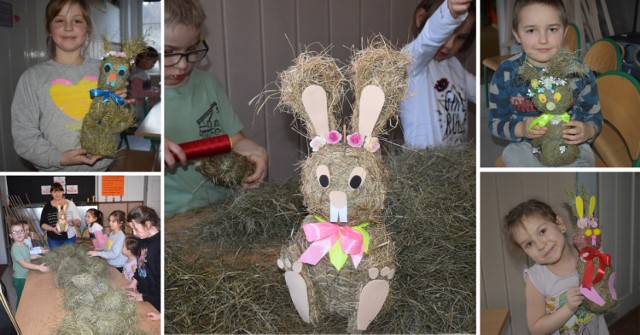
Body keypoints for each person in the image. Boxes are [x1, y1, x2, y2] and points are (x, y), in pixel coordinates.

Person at [164, 0, 268, 215]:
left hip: (218, 209)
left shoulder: (208, 85)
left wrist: (252, 152)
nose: (182, 64)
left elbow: (236, 140)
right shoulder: (136, 97)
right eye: (167, 52)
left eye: (191, 49)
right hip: (169, 216)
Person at [11, 0, 131, 171]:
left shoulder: (106, 71)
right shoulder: (32, 78)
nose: (68, 27)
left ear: (87, 29)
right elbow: (23, 136)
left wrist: (120, 107)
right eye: (60, 20)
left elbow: (117, 124)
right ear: (48, 29)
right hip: (53, 172)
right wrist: (58, 157)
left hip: (100, 170)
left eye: (77, 20)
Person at [487, 0, 601, 167]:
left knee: (585, 157)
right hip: (527, 144)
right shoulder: (506, 73)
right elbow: (495, 123)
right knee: (511, 154)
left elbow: (594, 114)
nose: (543, 39)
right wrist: (521, 129)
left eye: (552, 29)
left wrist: (588, 131)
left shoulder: (579, 71)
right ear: (517, 34)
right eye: (531, 30)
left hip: (569, 143)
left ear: (564, 32)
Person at [504, 199, 609, 334]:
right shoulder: (536, 280)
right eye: (529, 244)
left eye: (542, 231)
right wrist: (569, 308)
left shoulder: (587, 254)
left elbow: (605, 295)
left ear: (559, 223)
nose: (541, 245)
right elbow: (536, 328)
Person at [399, 0, 476, 149]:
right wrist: (449, 15)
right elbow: (427, 42)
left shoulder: (454, 65)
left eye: (460, 37)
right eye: (447, 34)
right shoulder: (412, 61)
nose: (449, 45)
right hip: (423, 162)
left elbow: (482, 93)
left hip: (456, 163)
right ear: (421, 17)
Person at [126, 206, 160, 313]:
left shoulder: (159, 245)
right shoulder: (143, 240)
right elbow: (141, 264)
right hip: (142, 292)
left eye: (135, 228)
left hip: (155, 300)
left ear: (148, 224)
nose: (134, 233)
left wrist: (145, 297)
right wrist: (133, 282)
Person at [9, 222, 50, 308]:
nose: (18, 234)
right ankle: (19, 316)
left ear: (24, 233)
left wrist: (38, 256)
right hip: (20, 278)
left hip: (26, 275)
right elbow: (23, 264)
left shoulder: (24, 245)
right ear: (11, 236)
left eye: (21, 231)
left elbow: (28, 256)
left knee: (27, 295)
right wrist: (38, 267)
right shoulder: (15, 249)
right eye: (15, 232)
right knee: (22, 299)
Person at [40, 182, 81, 249]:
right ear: (51, 193)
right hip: (53, 240)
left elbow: (78, 220)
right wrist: (53, 229)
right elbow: (42, 224)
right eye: (54, 192)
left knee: (70, 258)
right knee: (55, 258)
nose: (57, 194)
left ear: (62, 192)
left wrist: (71, 222)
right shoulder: (47, 206)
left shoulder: (70, 204)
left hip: (69, 238)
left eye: (59, 191)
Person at [129, 46, 161, 121]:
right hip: (135, 106)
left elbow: (143, 87)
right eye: (153, 62)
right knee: (140, 124)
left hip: (140, 104)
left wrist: (152, 89)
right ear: (145, 60)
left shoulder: (143, 73)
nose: (153, 65)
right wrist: (155, 93)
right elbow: (137, 93)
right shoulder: (138, 75)